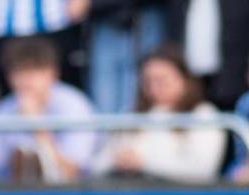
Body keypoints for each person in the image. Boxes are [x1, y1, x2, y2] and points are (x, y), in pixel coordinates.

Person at [91, 46, 227, 183]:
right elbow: (96, 164)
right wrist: (117, 161)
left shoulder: (202, 114)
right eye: (147, 81)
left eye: (162, 80)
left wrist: (144, 162)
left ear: (184, 79)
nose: (154, 88)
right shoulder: (132, 114)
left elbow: (202, 169)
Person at [0, 38, 97, 184]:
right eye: (20, 72)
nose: (26, 80)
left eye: (34, 72)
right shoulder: (4, 109)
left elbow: (72, 172)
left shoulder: (74, 106)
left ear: (52, 73)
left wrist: (37, 127)